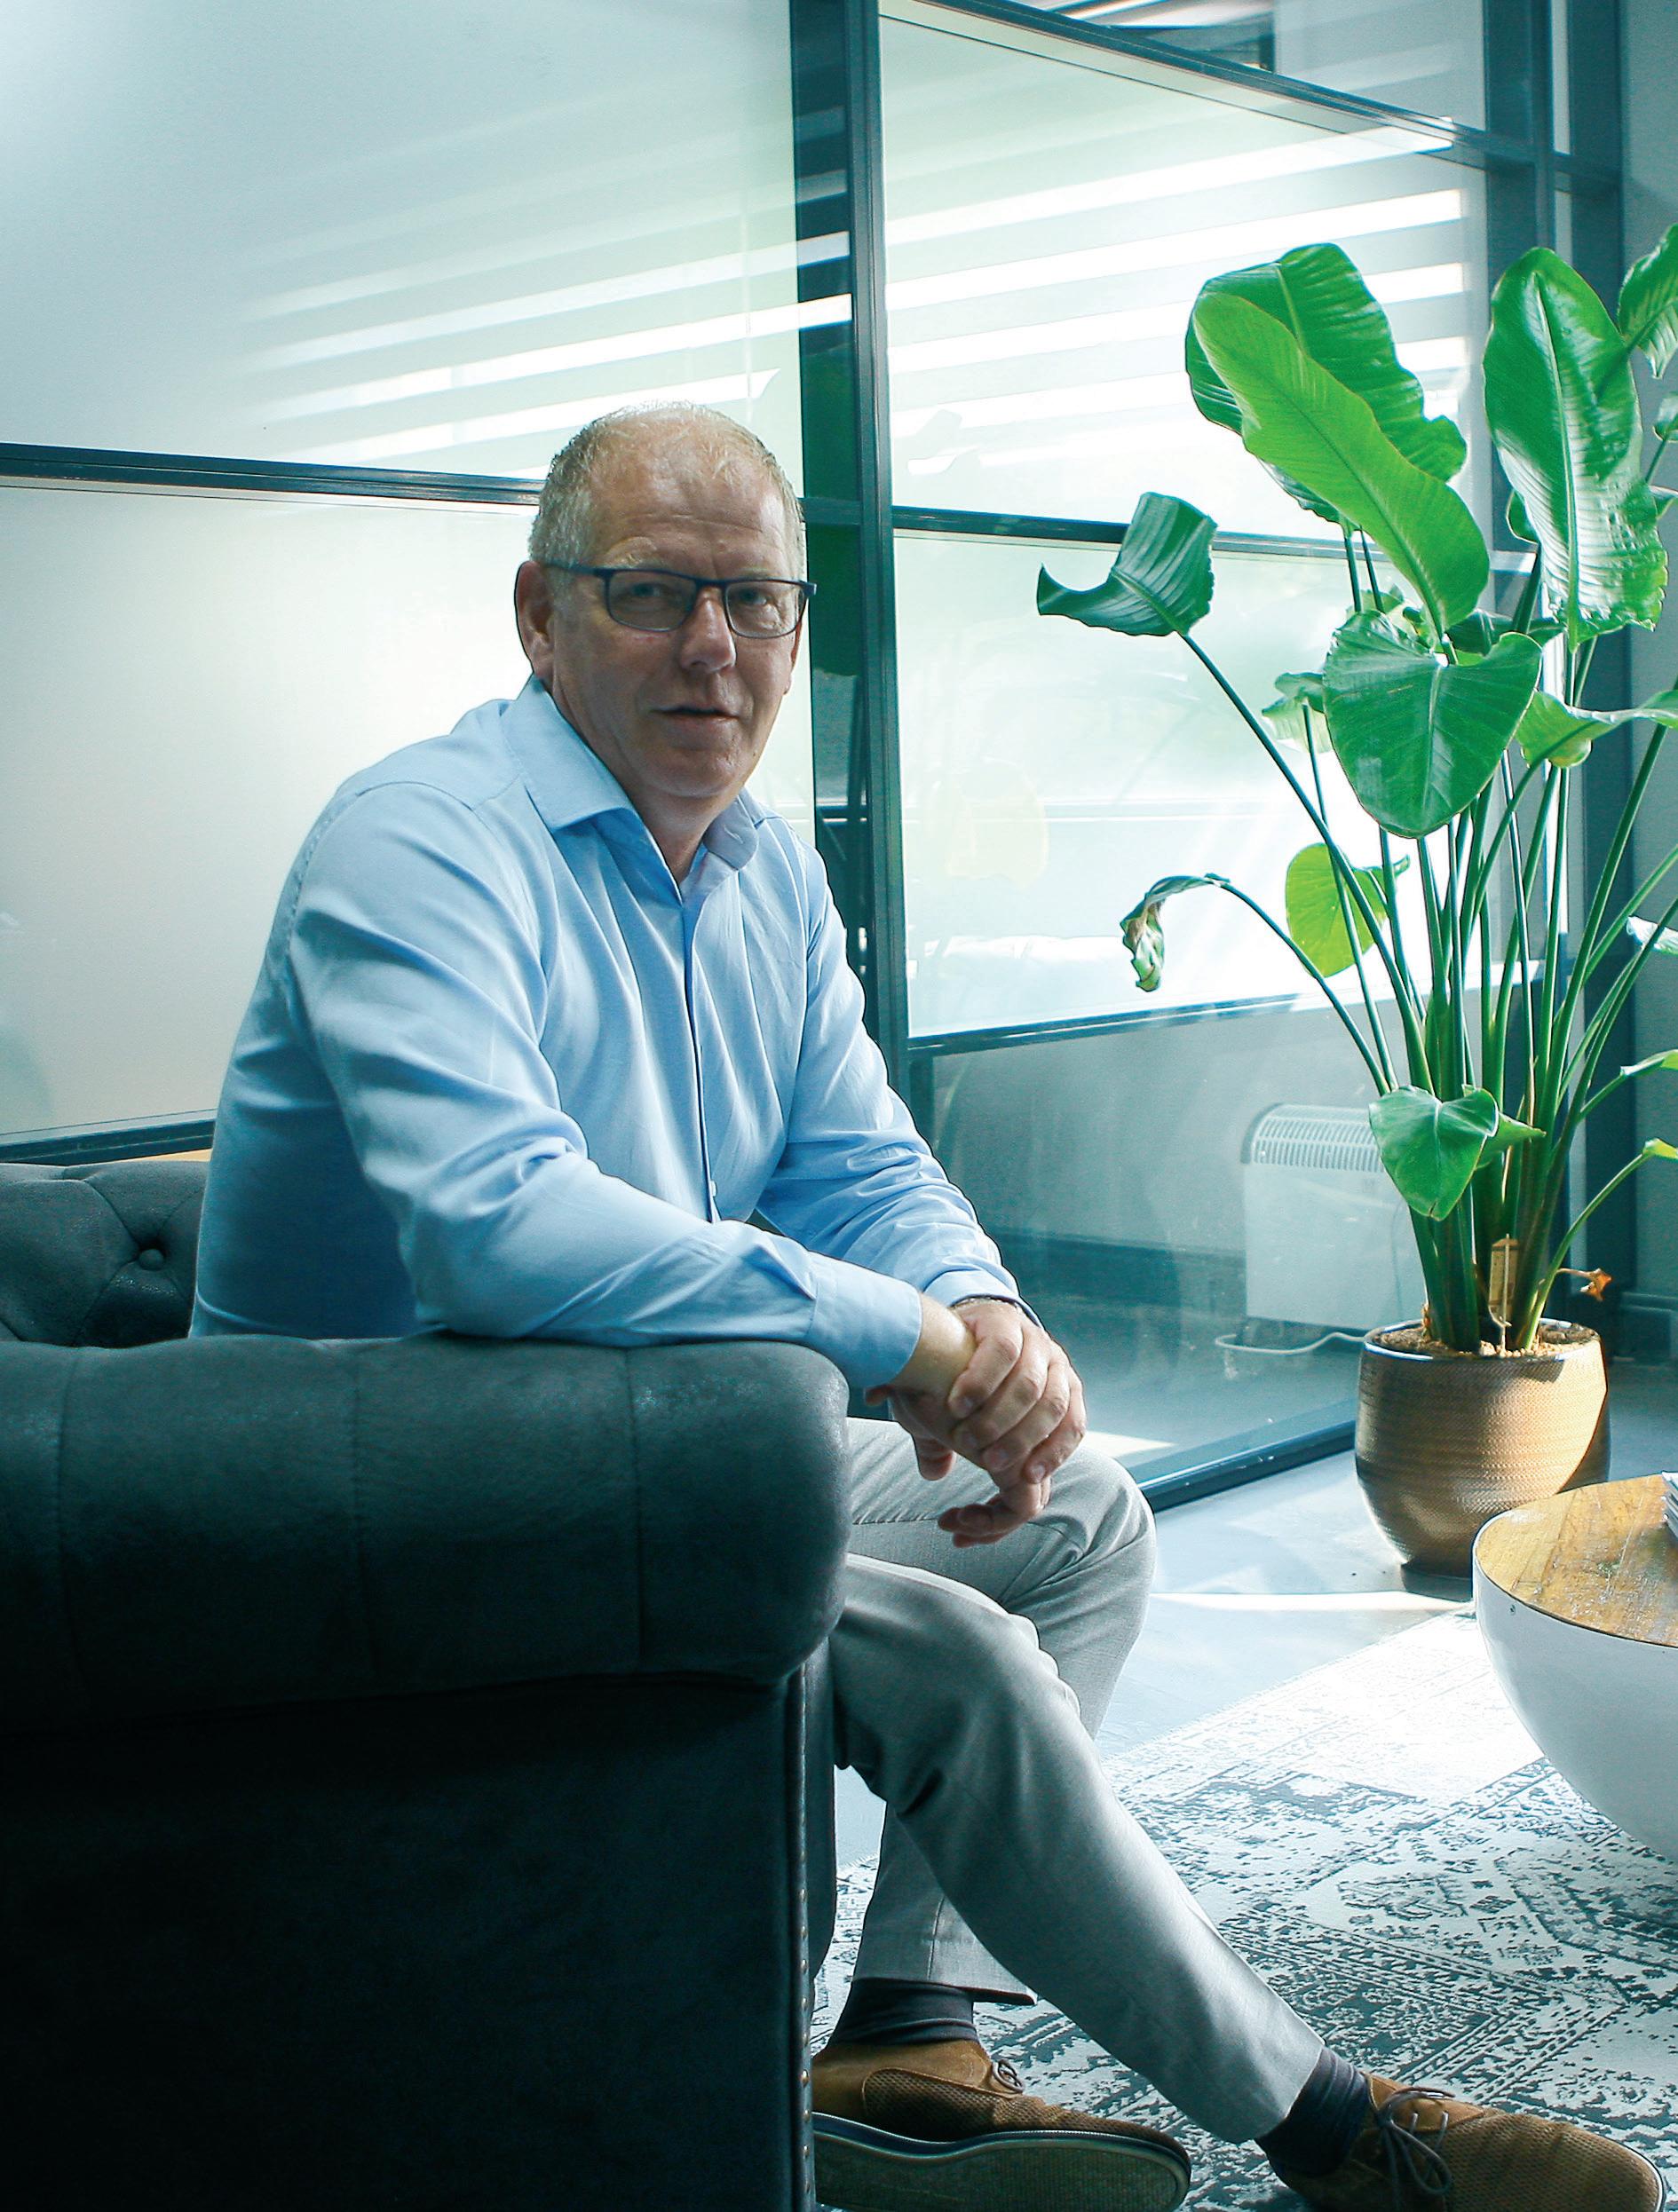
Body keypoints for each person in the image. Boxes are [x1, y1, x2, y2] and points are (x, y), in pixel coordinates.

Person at [192, 402, 1663, 2212]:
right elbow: (497, 1233)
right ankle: (1334, 2129)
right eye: (652, 593)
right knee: (956, 1662)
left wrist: (982, 1317)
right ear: (538, 615)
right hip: (361, 1512)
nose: (714, 646)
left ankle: (903, 2034)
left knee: (1082, 1516)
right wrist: (895, 1339)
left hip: (626, 1464)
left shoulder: (757, 864)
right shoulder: (421, 840)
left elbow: (857, 1157)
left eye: (756, 601)